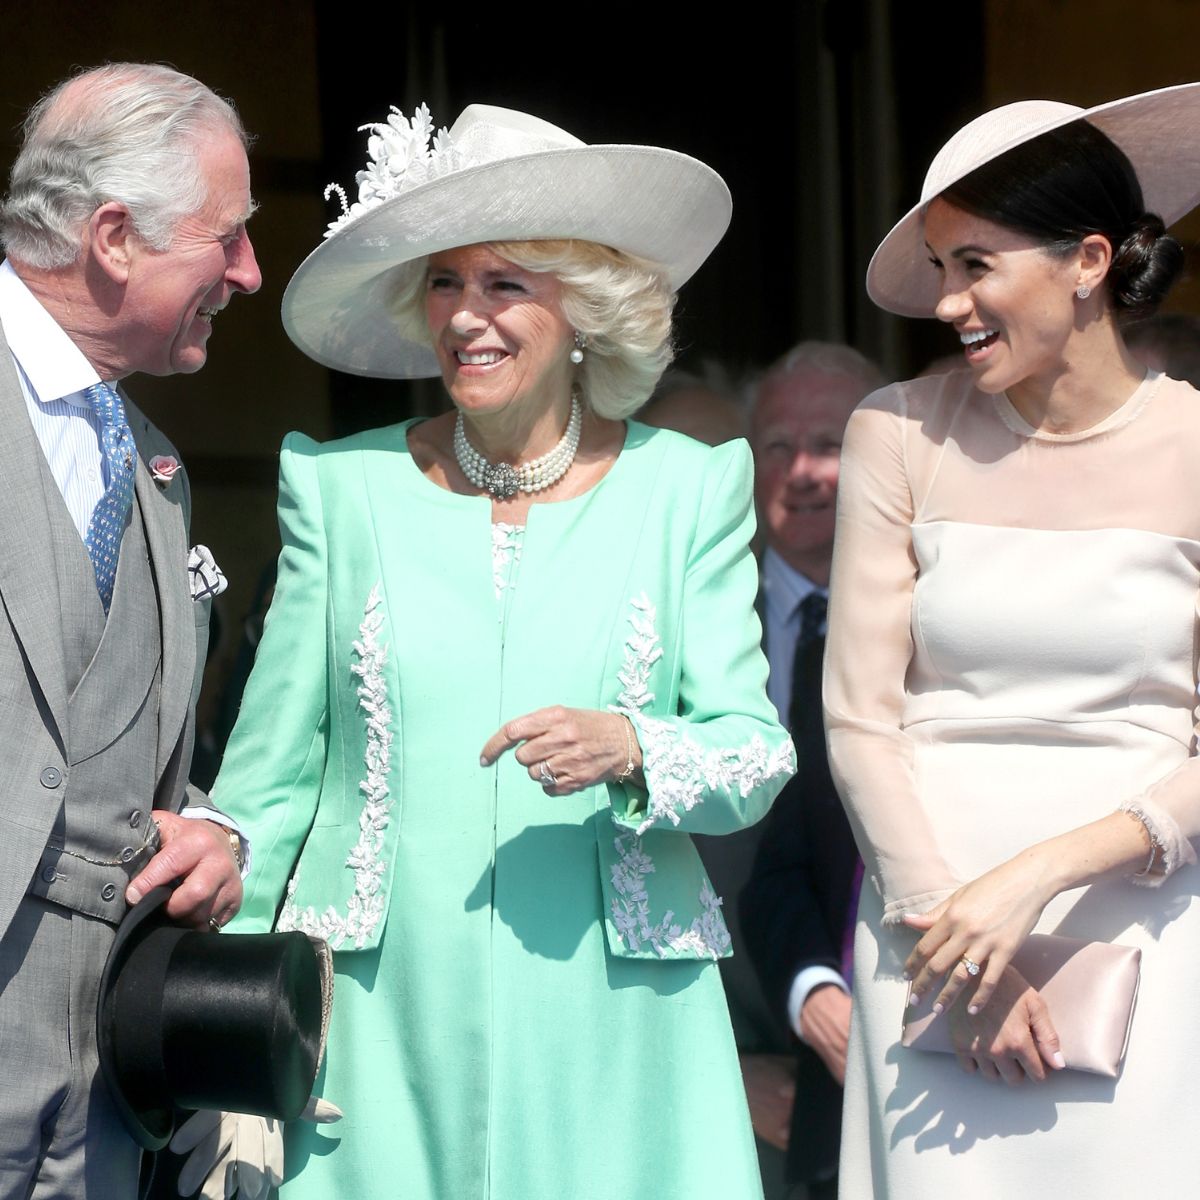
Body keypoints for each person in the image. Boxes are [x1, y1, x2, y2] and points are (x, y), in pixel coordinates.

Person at [210, 102, 795, 1199]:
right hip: (379, 1020)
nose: (466, 316)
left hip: (619, 1024)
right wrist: (230, 1033)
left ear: (584, 311)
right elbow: (264, 788)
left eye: (505, 283)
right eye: (444, 282)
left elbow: (755, 754)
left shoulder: (688, 488)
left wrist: (636, 746)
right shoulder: (339, 489)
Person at [827, 83, 1200, 1197]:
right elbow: (858, 721)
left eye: (975, 264)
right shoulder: (896, 432)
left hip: (1147, 926)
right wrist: (951, 942)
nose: (949, 302)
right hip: (927, 931)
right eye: (940, 268)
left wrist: (1036, 877)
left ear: (1088, 262)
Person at [0, 62, 260, 1196]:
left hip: (103, 1086)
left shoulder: (154, 466)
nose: (248, 272)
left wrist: (209, 833)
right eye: (227, 237)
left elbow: (111, 750)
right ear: (113, 237)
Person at [737, 342, 884, 1200]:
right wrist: (725, 1062)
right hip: (732, 1068)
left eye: (831, 444)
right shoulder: (693, 629)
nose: (803, 472)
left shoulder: (939, 623)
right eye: (778, 446)